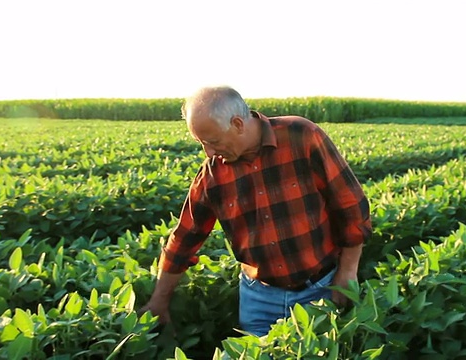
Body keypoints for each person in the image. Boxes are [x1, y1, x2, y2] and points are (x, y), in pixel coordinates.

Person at [138, 85, 372, 337]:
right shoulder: (213, 173)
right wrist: (159, 300)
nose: (209, 152)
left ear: (238, 124)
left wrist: (348, 270)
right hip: (259, 299)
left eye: (213, 141)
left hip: (319, 288)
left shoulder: (301, 136)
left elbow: (350, 205)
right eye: (202, 143)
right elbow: (185, 237)